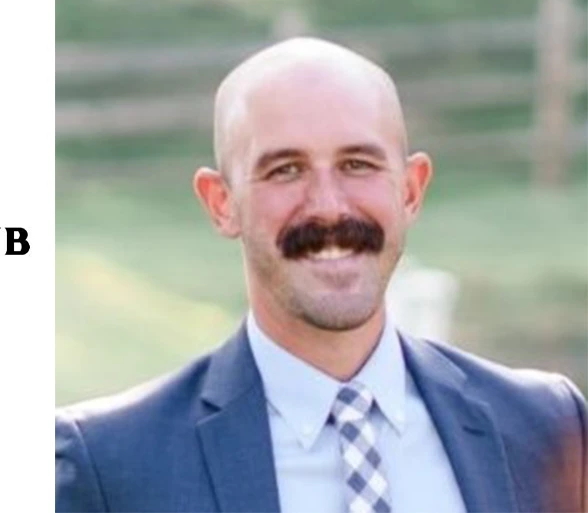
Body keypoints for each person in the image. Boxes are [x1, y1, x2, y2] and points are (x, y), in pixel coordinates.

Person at [55, 37, 587, 513]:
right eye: (285, 170)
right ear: (222, 204)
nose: (329, 207)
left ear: (410, 189)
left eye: (358, 164)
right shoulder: (110, 464)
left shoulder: (546, 427)